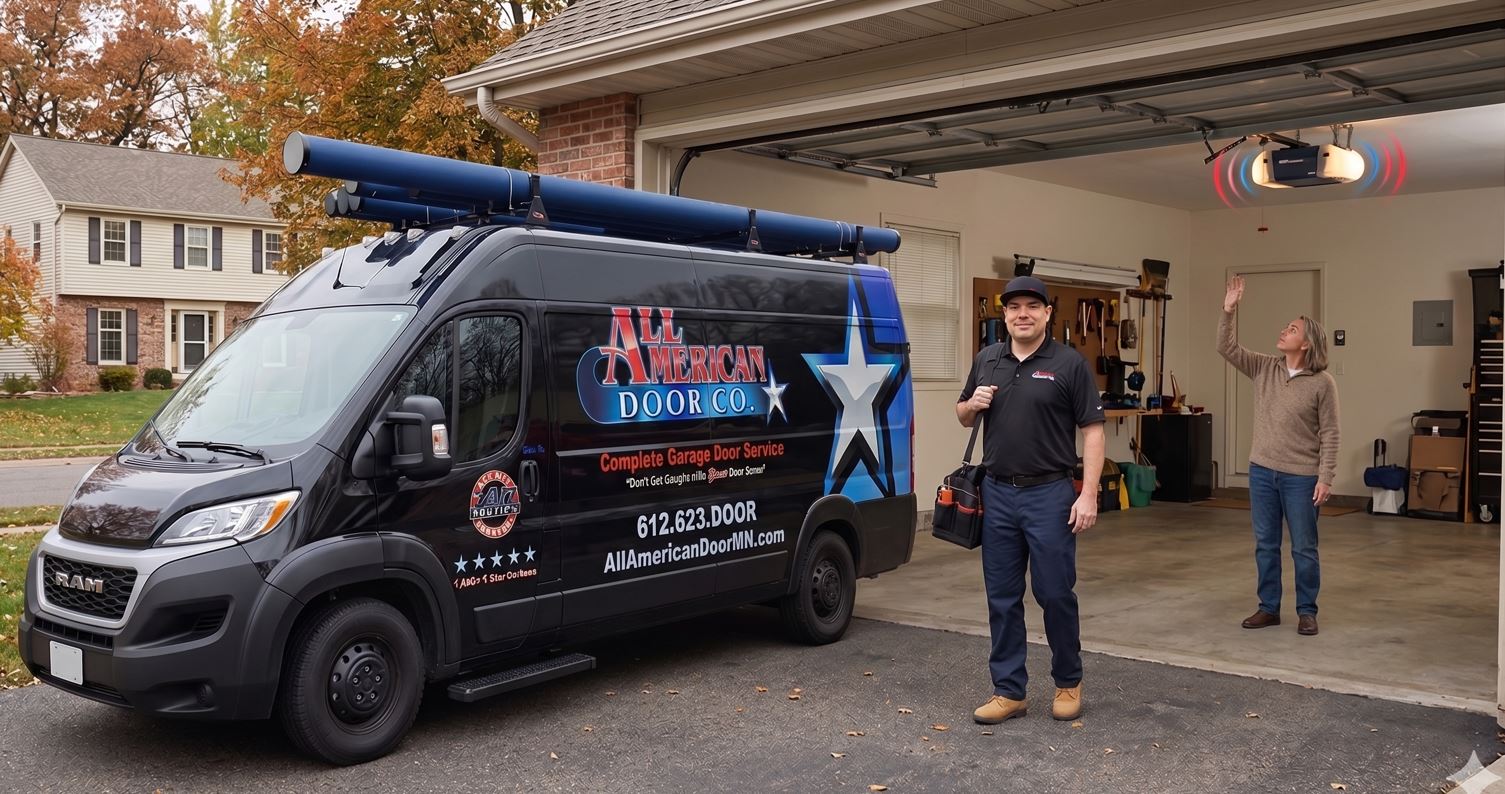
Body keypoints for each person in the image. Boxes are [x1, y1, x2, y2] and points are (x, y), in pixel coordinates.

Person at [956, 276, 1105, 724]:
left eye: (1032, 306)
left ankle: (1068, 682)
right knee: (1002, 596)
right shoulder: (987, 359)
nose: (1023, 314)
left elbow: (1093, 432)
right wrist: (972, 404)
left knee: (1054, 592)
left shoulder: (1069, 364)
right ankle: (1009, 691)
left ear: (1047, 314)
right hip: (997, 493)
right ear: (1004, 315)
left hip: (1050, 494)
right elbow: (962, 415)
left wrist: (1089, 494)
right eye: (1014, 307)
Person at [1218, 275, 1340, 637]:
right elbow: (1226, 347)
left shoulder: (1322, 383)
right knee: (1266, 545)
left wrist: (1326, 477)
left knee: (1304, 548)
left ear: (1307, 343)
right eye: (1287, 327)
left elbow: (1331, 432)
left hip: (1302, 477)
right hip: (1262, 472)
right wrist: (1229, 309)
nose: (1284, 331)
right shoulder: (1264, 367)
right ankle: (1268, 608)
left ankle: (1307, 611)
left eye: (1292, 329)